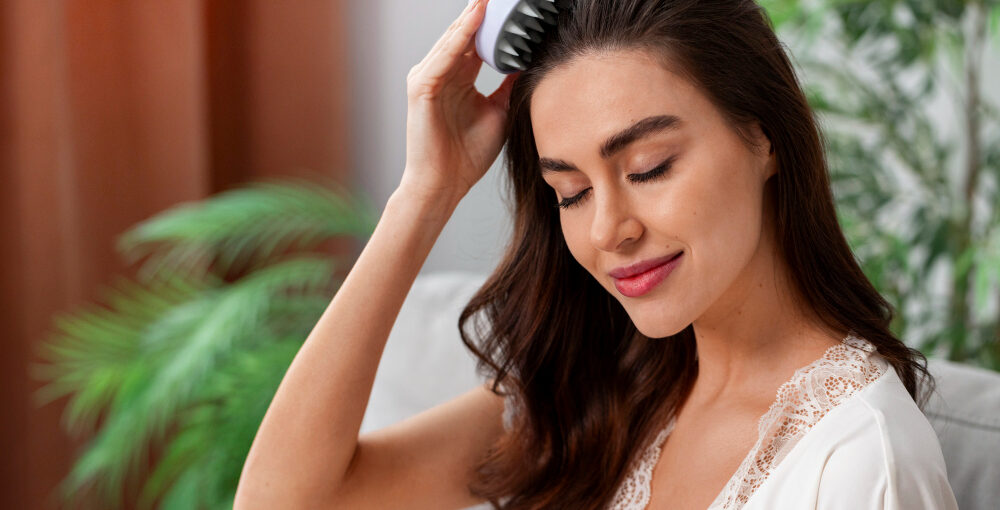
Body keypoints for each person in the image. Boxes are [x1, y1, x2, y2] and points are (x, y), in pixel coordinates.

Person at [233, 0, 960, 509]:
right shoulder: (603, 394)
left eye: (648, 168)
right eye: (571, 192)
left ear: (763, 136)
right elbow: (281, 501)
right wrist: (425, 194)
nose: (610, 229)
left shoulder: (862, 461)